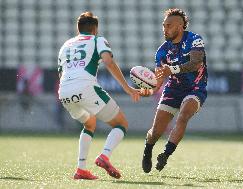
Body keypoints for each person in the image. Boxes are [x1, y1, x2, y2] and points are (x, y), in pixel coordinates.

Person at [57, 11, 140, 180]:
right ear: (95, 29)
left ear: (78, 28)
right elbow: (108, 61)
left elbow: (61, 72)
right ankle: (104, 156)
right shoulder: (97, 39)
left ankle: (81, 169)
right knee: (121, 123)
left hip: (64, 91)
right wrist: (127, 88)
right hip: (85, 86)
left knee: (89, 123)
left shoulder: (66, 45)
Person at [140, 8, 208, 173]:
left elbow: (196, 63)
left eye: (169, 25)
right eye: (164, 25)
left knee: (184, 114)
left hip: (195, 88)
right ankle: (148, 149)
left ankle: (166, 154)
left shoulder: (194, 39)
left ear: (180, 26)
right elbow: (160, 79)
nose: (165, 29)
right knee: (156, 131)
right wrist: (148, 90)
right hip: (172, 90)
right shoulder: (162, 51)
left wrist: (173, 69)